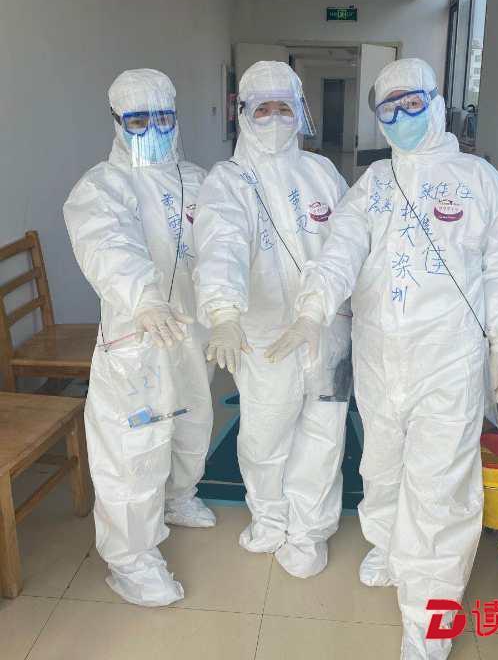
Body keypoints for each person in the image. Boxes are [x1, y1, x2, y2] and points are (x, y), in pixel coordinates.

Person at [266, 58, 498, 658]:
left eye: (414, 103)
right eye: (391, 108)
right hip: (380, 357)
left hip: (449, 360)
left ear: (438, 102)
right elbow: (340, 251)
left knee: (440, 491)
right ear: (378, 118)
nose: (404, 116)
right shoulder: (374, 183)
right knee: (381, 468)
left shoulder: (480, 180)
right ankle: (386, 544)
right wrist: (313, 308)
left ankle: (430, 627)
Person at [192, 60, 351, 578]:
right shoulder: (228, 181)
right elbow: (221, 243)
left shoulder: (322, 173)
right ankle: (269, 518)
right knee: (264, 434)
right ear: (243, 114)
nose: (276, 118)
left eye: (285, 107)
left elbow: (351, 245)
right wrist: (222, 310)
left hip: (327, 332)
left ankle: (308, 532)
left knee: (323, 435)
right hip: (263, 335)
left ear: (300, 111)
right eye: (264, 109)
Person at [64, 69, 215, 607]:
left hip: (190, 331)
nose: (153, 129)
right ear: (117, 122)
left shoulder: (197, 179)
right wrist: (144, 296)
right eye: (137, 120)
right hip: (136, 336)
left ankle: (179, 496)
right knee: (134, 447)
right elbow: (107, 245)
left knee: (192, 419)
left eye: (164, 118)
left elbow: (222, 244)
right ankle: (131, 560)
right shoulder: (103, 186)